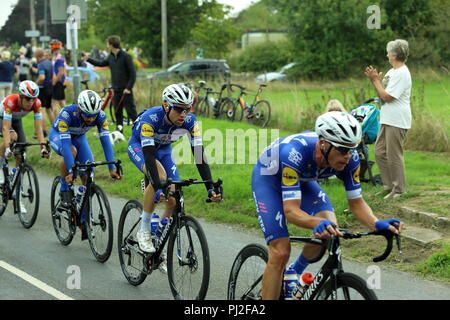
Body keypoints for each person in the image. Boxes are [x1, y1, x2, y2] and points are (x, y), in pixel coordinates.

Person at [251, 111, 404, 300]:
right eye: (341, 149)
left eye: (352, 149)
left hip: (303, 180)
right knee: (281, 251)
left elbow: (356, 203)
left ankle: (294, 272)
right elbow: (290, 210)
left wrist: (376, 223)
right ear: (323, 143)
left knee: (331, 227)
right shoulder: (293, 153)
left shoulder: (350, 159)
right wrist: (315, 222)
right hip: (269, 180)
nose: (347, 155)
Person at [127, 83, 222, 255]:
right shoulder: (151, 119)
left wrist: (210, 187)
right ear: (166, 105)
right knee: (161, 178)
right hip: (140, 148)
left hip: (164, 150)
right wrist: (156, 183)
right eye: (179, 109)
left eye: (187, 109)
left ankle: (158, 237)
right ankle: (144, 230)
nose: (183, 114)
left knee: (173, 200)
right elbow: (149, 157)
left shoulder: (192, 122)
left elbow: (200, 156)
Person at [49, 90, 122, 240]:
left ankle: (83, 218)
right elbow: (66, 143)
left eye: (93, 115)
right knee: (71, 151)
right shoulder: (67, 114)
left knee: (89, 171)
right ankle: (64, 188)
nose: (90, 119)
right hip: (59, 136)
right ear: (79, 109)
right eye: (87, 115)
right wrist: (71, 170)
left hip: (80, 138)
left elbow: (106, 142)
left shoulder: (100, 116)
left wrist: (112, 168)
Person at [365, 39, 412, 200]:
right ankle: (388, 186)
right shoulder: (392, 72)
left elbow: (387, 96)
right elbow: (382, 93)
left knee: (394, 154)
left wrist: (376, 81)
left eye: (388, 52)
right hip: (387, 118)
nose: (387, 54)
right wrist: (377, 82)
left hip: (397, 119)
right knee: (379, 152)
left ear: (394, 55)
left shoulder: (402, 73)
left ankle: (399, 190)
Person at [0, 81, 50, 213]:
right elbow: (5, 127)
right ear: (21, 96)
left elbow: (38, 129)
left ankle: (16, 193)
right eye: (28, 99)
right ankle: (1, 168)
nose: (31, 102)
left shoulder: (37, 104)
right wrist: (7, 147)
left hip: (16, 121)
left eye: (33, 99)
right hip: (2, 119)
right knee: (12, 138)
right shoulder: (11, 101)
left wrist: (43, 147)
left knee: (21, 153)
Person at [84, 35, 138, 133]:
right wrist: (88, 59)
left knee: (131, 111)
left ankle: (140, 129)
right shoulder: (111, 57)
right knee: (117, 111)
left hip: (126, 90)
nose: (107, 46)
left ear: (112, 45)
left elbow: (133, 74)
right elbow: (101, 63)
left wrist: (128, 87)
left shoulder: (126, 56)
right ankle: (119, 129)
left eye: (108, 44)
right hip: (116, 89)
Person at [34, 48, 54, 138]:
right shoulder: (49, 62)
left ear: (38, 56)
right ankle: (55, 128)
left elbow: (42, 77)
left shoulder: (40, 64)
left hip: (43, 88)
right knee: (49, 109)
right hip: (50, 87)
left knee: (42, 109)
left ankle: (43, 130)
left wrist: (34, 84)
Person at [50, 39, 67, 112]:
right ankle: (70, 118)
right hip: (61, 82)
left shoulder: (58, 58)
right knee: (62, 102)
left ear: (53, 47)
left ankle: (55, 122)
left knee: (54, 104)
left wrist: (54, 82)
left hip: (58, 82)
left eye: (51, 46)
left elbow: (60, 72)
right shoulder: (58, 56)